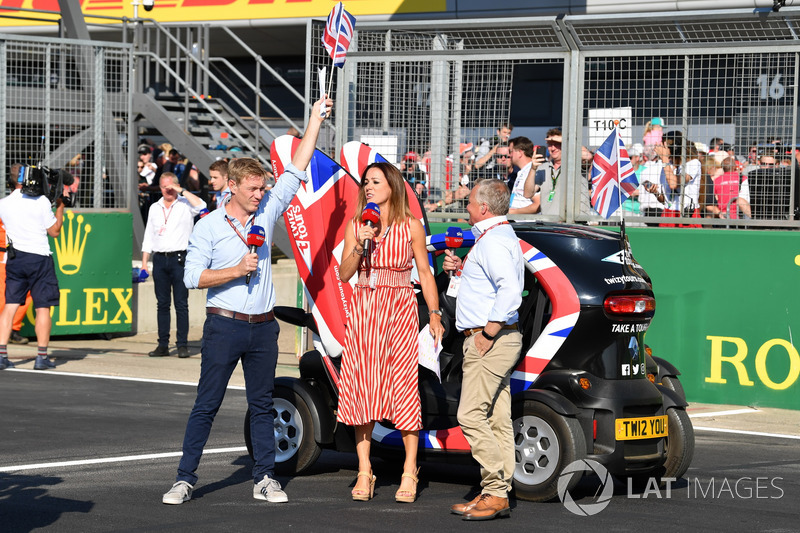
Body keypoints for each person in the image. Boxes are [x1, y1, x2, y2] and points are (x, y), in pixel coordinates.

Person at [160, 95, 332, 506]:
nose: (261, 193)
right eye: (254, 188)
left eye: (263, 187)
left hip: (262, 327)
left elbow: (298, 167)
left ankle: (265, 477)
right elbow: (191, 277)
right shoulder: (208, 226)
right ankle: (184, 479)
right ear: (232, 186)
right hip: (224, 325)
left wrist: (313, 121)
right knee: (207, 405)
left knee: (261, 406)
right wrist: (235, 271)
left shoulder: (268, 210)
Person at [337, 161, 444, 504]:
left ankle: (410, 470)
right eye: (365, 182)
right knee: (362, 389)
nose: (368, 187)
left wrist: (436, 313)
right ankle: (365, 470)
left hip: (399, 308)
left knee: (403, 389)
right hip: (365, 309)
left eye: (375, 181)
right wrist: (359, 244)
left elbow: (426, 274)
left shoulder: (411, 225)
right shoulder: (357, 225)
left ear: (392, 186)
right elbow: (344, 274)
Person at [442, 179, 523, 521]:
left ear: (484, 209)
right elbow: (495, 286)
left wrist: (487, 334)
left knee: (470, 415)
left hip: (490, 340)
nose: (467, 207)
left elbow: (509, 291)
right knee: (497, 417)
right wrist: (462, 270)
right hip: (499, 338)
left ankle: (495, 491)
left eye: (471, 202)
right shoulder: (498, 238)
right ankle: (498, 490)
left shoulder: (493, 243)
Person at [0, 165, 65, 371]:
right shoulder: (42, 201)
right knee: (42, 307)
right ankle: (42, 357)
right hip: (39, 257)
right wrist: (61, 206)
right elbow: (54, 231)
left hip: (15, 257)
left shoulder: (4, 203)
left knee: (10, 306)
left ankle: (2, 355)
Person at [140, 173, 207, 358]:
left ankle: (182, 344)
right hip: (160, 259)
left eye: (170, 187)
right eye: (163, 187)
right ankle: (162, 344)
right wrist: (145, 263)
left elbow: (202, 206)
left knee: (181, 304)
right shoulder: (155, 207)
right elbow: (149, 236)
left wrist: (182, 191)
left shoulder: (185, 205)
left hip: (180, 258)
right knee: (162, 304)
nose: (167, 191)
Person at [0, 165, 33, 347]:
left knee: (26, 292)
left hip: (24, 252)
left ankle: (13, 328)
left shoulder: (33, 203)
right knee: (3, 295)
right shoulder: (5, 204)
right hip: (4, 253)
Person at [530, 129, 564, 216]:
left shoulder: (573, 166)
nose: (553, 148)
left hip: (568, 224)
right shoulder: (542, 167)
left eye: (557, 144)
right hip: (547, 222)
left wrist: (565, 141)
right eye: (550, 144)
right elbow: (528, 194)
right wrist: (533, 168)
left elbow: (587, 156)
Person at [506, 136, 540, 215]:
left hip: (526, 224)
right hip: (518, 222)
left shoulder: (532, 171)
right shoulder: (523, 171)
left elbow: (538, 205)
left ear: (520, 153)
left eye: (511, 152)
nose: (509, 155)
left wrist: (512, 212)